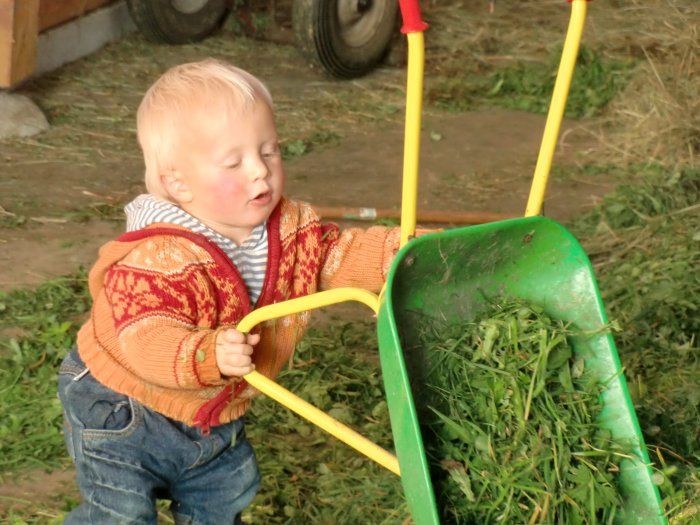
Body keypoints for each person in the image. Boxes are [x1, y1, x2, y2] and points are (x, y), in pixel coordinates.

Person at [57, 58, 408, 524]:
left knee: (225, 495)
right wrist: (205, 355)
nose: (260, 172)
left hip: (214, 407)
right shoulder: (157, 256)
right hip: (123, 407)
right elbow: (145, 337)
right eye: (234, 162)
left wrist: (406, 253)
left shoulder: (289, 231)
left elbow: (337, 256)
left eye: (269, 151)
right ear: (177, 182)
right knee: (120, 512)